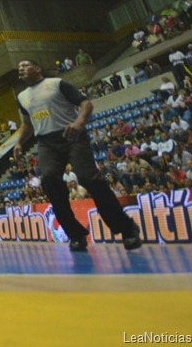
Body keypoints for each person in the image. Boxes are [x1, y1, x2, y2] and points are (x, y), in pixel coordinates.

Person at [13, 60, 142, 252]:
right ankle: (75, 234)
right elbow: (27, 124)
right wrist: (19, 142)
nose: (21, 69)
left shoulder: (57, 84)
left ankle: (126, 228)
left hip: (72, 136)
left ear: (37, 68)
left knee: (89, 178)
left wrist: (79, 123)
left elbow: (86, 104)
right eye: (19, 67)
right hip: (46, 143)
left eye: (25, 66)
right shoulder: (22, 96)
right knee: (49, 179)